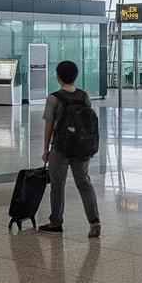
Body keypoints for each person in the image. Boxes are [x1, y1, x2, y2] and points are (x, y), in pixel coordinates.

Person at [39, 60, 101, 237]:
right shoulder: (84, 96)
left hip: (61, 147)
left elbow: (49, 126)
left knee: (58, 184)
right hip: (82, 146)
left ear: (58, 78)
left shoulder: (54, 98)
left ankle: (56, 222)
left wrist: (46, 150)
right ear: (75, 77)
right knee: (84, 182)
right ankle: (94, 220)